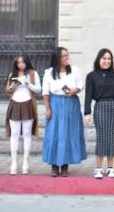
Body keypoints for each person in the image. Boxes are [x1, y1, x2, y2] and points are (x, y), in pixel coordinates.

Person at [42, 47, 86, 177]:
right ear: (57, 58)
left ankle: (65, 165)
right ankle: (54, 166)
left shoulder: (74, 70)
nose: (67, 58)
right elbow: (45, 91)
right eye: (64, 56)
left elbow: (81, 85)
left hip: (70, 104)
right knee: (54, 133)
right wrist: (48, 108)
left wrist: (74, 90)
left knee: (68, 133)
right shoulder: (49, 72)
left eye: (67, 55)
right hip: (55, 103)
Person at [84, 48, 114, 179]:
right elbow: (88, 95)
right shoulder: (92, 75)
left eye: (109, 59)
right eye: (104, 58)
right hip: (100, 106)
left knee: (112, 137)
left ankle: (111, 168)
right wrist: (87, 113)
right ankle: (98, 168)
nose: (106, 61)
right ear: (99, 59)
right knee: (102, 137)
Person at [6, 56, 41, 175]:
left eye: (23, 62)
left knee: (27, 134)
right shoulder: (12, 74)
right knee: (14, 134)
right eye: (18, 62)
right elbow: (8, 90)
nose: (20, 64)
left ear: (27, 62)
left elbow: (39, 90)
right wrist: (12, 87)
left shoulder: (33, 73)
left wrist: (28, 84)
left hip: (28, 103)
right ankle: (14, 162)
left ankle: (26, 162)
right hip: (15, 103)